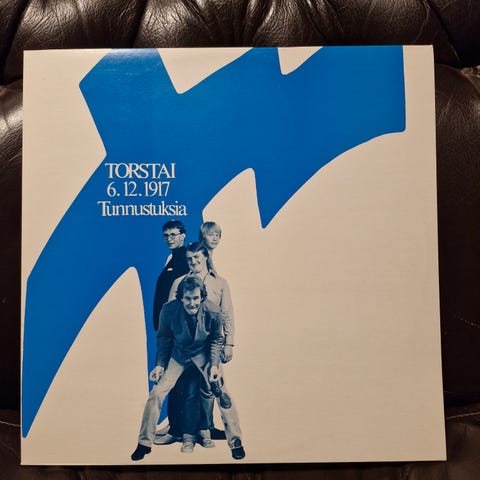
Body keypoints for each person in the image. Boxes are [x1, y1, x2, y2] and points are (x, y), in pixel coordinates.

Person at [131, 276, 245, 461]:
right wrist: (160, 365)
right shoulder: (168, 310)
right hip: (179, 355)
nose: (192, 303)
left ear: (202, 297)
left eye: (195, 298)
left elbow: (217, 338)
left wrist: (214, 365)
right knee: (156, 394)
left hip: (204, 355)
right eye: (188, 298)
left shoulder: (213, 310)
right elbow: (164, 339)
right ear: (181, 298)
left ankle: (236, 442)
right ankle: (143, 443)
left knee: (223, 395)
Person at [152, 220, 189, 331]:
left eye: (173, 235)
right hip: (165, 323)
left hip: (176, 323)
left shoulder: (186, 259)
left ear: (182, 236)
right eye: (166, 235)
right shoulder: (171, 258)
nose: (169, 239)